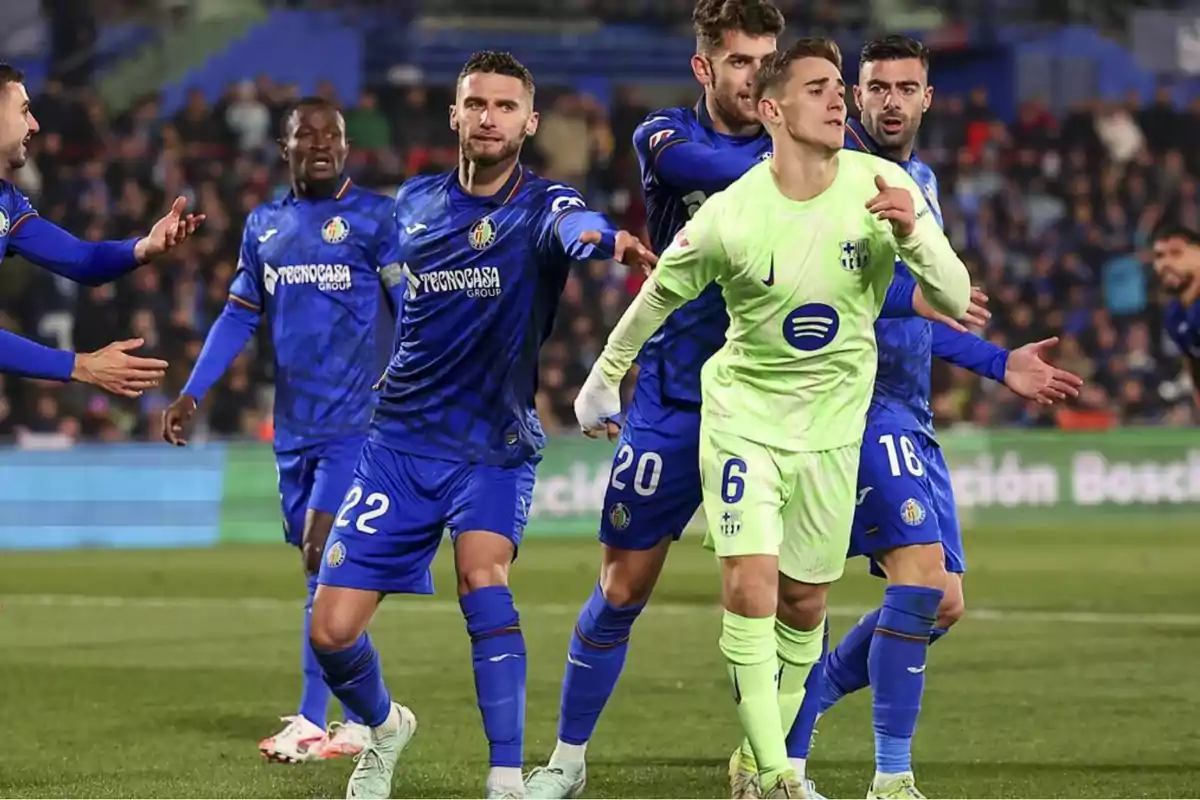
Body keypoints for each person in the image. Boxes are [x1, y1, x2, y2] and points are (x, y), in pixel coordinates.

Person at [524, 8, 980, 798]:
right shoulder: (669, 139)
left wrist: (890, 211)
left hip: (805, 405)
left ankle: (774, 765)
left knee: (804, 593)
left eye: (769, 59)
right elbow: (713, 181)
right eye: (740, 62)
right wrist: (802, 164)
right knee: (624, 587)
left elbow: (907, 288)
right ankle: (568, 758)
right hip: (679, 399)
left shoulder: (840, 161)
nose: (752, 73)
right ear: (708, 70)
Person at [305, 51, 656, 800]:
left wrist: (612, 242)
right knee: (330, 632)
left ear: (529, 122)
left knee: (482, 580)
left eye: (505, 106)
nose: (489, 117)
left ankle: (504, 779)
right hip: (396, 445)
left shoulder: (543, 206)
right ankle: (385, 726)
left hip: (490, 449)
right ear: (455, 116)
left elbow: (578, 229)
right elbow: (395, 299)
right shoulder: (413, 206)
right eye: (476, 103)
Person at [779, 35, 1084, 800]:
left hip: (908, 409)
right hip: (853, 403)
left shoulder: (921, 181)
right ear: (855, 94)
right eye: (874, 87)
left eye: (903, 87)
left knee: (944, 601)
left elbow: (934, 303)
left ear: (926, 99)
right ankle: (891, 777)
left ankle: (791, 718)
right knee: (916, 579)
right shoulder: (834, 174)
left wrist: (996, 362)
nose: (888, 100)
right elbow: (822, 277)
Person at [162, 97, 404, 763]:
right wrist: (192, 392)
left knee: (320, 554)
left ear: (348, 147)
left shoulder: (376, 220)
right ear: (285, 147)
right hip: (294, 428)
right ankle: (363, 718)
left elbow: (409, 307)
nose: (321, 143)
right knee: (319, 573)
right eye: (307, 133)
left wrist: (409, 384)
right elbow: (240, 316)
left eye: (333, 134)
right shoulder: (265, 225)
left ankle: (309, 718)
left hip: (358, 425)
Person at [0, 62, 200, 394]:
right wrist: (78, 365)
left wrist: (143, 247)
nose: (34, 125)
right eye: (24, 111)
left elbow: (81, 259)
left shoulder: (7, 200)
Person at [1151, 223, 1200, 399]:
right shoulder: (1174, 315)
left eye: (1177, 253)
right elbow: (1194, 364)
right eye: (1159, 256)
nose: (1166, 263)